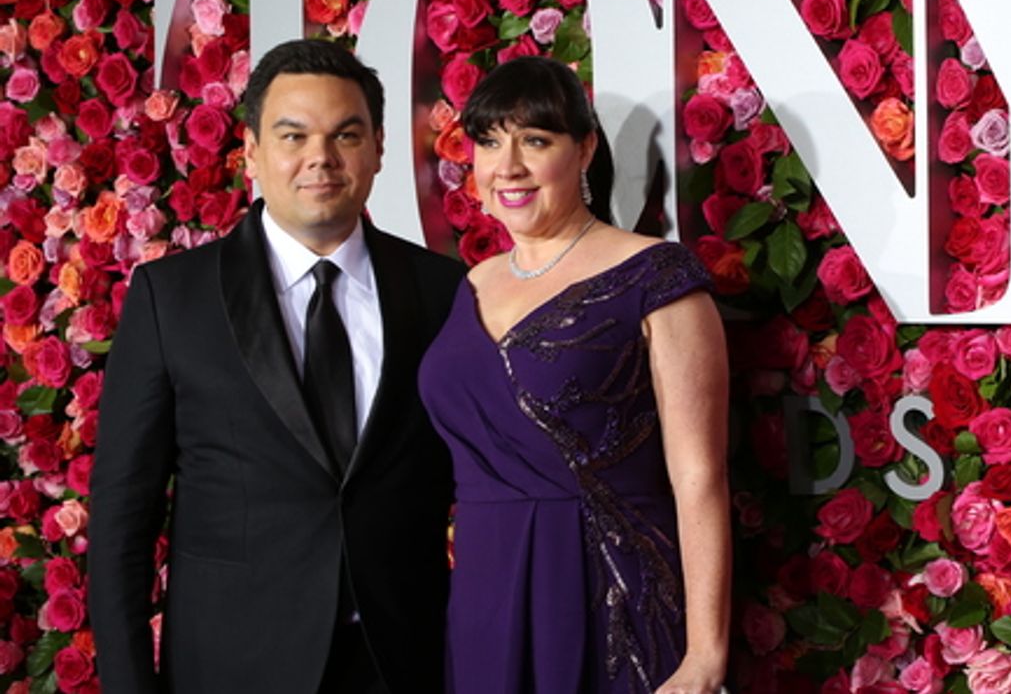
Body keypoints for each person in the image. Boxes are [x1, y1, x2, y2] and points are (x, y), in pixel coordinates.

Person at [89, 39, 464, 694]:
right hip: (234, 664)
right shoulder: (171, 298)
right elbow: (122, 519)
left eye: (345, 134)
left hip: (403, 660)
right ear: (253, 152)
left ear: (378, 146)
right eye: (293, 135)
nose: (320, 157)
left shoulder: (441, 290)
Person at [418, 56, 731, 693]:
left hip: (608, 590)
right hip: (484, 593)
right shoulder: (470, 284)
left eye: (535, 140)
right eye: (488, 141)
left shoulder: (656, 277)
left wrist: (705, 656)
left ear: (585, 149)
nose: (507, 166)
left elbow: (699, 476)